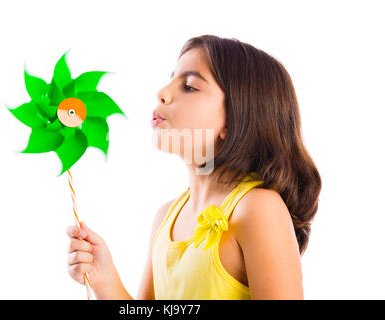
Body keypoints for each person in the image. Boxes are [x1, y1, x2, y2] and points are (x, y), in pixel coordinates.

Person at [66, 34, 321, 300]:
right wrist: (105, 279)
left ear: (235, 120)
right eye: (171, 78)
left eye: (189, 86)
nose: (162, 93)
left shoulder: (258, 209)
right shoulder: (165, 218)